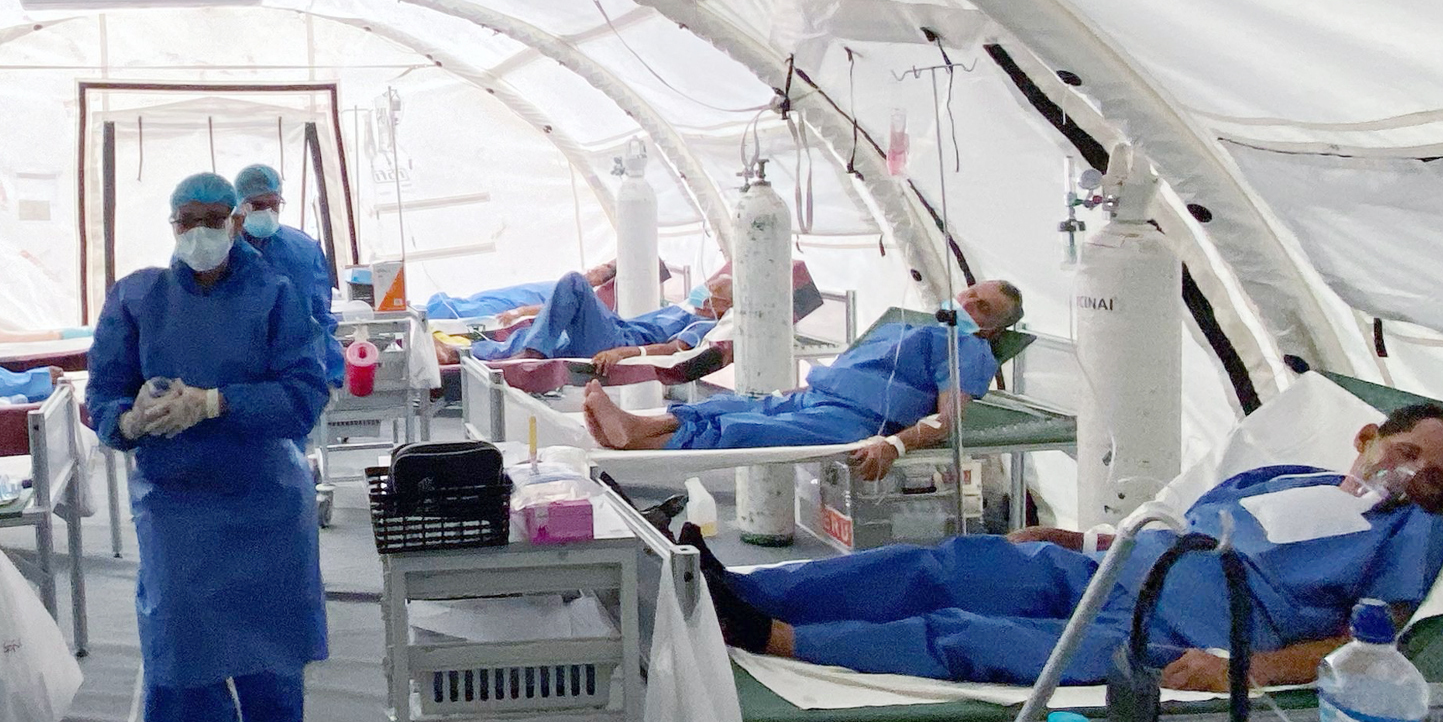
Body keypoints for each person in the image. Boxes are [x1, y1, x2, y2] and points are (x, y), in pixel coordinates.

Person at [701, 403, 1443, 690]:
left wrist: (1241, 671)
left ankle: (775, 635)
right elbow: (1184, 528)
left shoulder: (1406, 537)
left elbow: (1361, 645)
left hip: (1170, 632)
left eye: (1435, 476)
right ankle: (749, 588)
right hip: (1106, 568)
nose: (1413, 475)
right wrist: (1078, 536)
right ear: (1366, 439)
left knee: (977, 636)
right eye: (1406, 452)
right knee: (949, 563)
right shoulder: (1283, 477)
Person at [88, 170, 331, 722]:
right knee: (181, 653)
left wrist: (216, 402)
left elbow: (303, 396)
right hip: (176, 502)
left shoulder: (272, 293)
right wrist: (128, 420)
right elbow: (101, 391)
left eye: (212, 219)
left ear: (233, 221)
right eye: (185, 220)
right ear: (172, 225)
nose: (200, 233)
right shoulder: (137, 298)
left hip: (262, 493)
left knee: (267, 639)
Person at [584, 281, 1022, 479]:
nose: (966, 303)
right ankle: (632, 429)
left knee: (748, 430)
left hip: (855, 420)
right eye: (970, 293)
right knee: (728, 406)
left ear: (993, 330)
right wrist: (785, 393)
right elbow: (850, 368)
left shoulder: (969, 350)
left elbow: (948, 420)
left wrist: (896, 444)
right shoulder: (907, 327)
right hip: (815, 395)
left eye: (981, 307)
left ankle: (633, 439)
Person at [474, 268, 733, 366]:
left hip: (617, 341)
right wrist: (523, 312)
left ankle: (533, 354)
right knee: (527, 335)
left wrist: (622, 353)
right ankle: (466, 354)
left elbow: (673, 348)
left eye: (710, 288)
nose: (703, 288)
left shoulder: (704, 323)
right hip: (612, 330)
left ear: (721, 302)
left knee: (573, 281)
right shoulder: (683, 308)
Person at [232, 161, 345, 384]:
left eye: (273, 205)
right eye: (256, 205)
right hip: (236, 373)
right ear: (238, 204)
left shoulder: (303, 249)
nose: (266, 212)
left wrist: (330, 372)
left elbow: (320, 315)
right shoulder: (219, 253)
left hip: (294, 371)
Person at [421, 262, 614, 326]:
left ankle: (431, 314)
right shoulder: (574, 283)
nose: (593, 269)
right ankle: (429, 310)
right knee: (477, 301)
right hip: (526, 293)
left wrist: (519, 312)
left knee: (476, 309)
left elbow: (554, 307)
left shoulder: (588, 298)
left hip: (525, 302)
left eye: (602, 268)